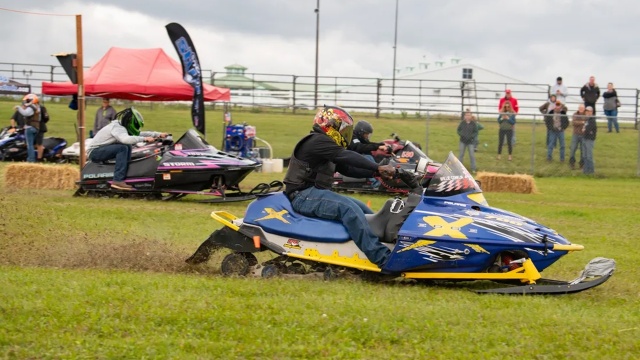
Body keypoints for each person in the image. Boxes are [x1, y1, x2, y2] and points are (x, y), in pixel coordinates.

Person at [283, 106, 396, 267]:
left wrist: (376, 174)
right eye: (343, 129)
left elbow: (348, 169)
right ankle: (383, 259)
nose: (345, 134)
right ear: (330, 125)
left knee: (362, 209)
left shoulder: (325, 145)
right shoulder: (317, 140)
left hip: (313, 193)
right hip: (301, 195)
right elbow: (346, 156)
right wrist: (376, 167)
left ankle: (377, 246)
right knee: (349, 209)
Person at [87, 107, 168, 190]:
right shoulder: (117, 128)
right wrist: (144, 139)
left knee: (127, 146)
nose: (137, 128)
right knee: (122, 148)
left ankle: (126, 176)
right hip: (94, 152)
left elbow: (138, 133)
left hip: (101, 149)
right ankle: (118, 181)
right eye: (136, 125)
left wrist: (158, 134)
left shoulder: (122, 126)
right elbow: (126, 139)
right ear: (131, 122)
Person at [348, 120, 388, 189]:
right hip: (348, 160)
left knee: (378, 158)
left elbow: (368, 144)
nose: (367, 136)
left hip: (355, 159)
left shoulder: (360, 138)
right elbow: (359, 147)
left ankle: (384, 178)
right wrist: (378, 146)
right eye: (366, 134)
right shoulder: (352, 136)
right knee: (367, 157)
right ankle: (376, 184)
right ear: (360, 132)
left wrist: (382, 145)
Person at [14, 94, 41, 162]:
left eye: (27, 100)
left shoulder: (31, 107)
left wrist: (18, 107)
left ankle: (31, 159)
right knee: (32, 144)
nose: (26, 102)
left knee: (30, 145)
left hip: (30, 127)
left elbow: (25, 113)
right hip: (36, 127)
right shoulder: (38, 107)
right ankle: (33, 158)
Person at [569, 104, 587, 170]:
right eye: (580, 108)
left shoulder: (586, 114)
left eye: (582, 108)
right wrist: (582, 122)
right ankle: (572, 163)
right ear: (578, 108)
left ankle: (581, 164)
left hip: (583, 135)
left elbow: (587, 122)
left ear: (584, 108)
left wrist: (579, 122)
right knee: (573, 149)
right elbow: (574, 123)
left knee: (583, 150)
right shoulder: (575, 114)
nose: (581, 109)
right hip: (575, 134)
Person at [582, 106, 597, 175]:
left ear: (591, 112)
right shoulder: (587, 120)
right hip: (585, 138)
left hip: (590, 140)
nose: (587, 112)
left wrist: (585, 130)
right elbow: (585, 129)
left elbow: (588, 129)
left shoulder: (592, 120)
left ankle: (591, 171)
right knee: (584, 156)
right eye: (586, 111)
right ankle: (585, 171)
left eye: (589, 111)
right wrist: (585, 130)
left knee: (589, 156)